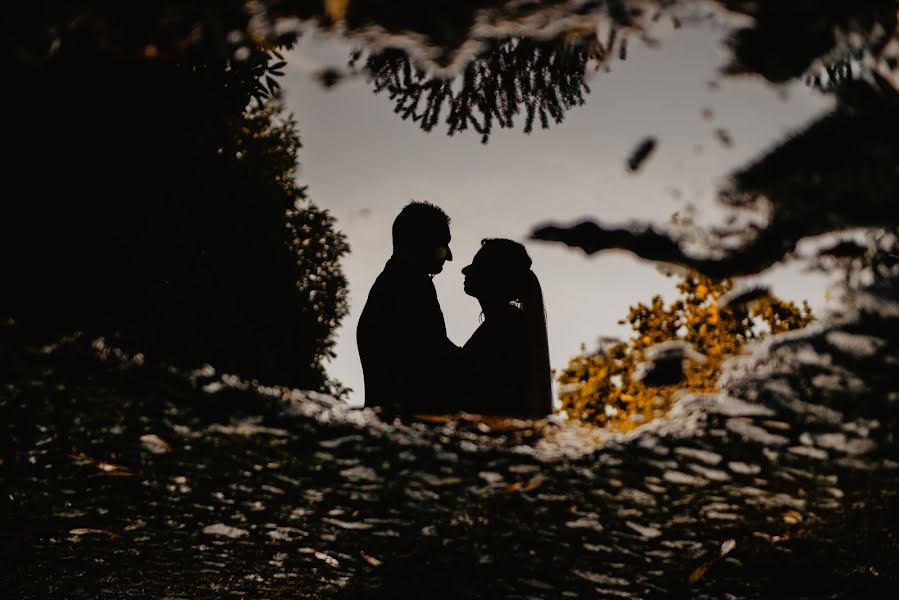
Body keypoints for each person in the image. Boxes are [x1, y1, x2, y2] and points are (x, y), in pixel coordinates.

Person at [357, 201, 461, 416]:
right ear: (421, 241)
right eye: (443, 243)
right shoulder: (410, 284)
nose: (449, 255)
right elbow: (436, 355)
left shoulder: (391, 282)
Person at [460, 238, 552, 417]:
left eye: (477, 265)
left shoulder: (505, 327)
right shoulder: (506, 322)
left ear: (495, 276)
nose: (465, 270)